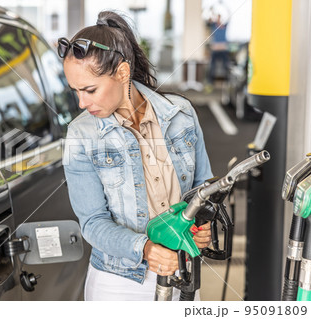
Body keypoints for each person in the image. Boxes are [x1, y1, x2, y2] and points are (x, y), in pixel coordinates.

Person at [61, 10, 213, 301]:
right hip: (118, 282)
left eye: (90, 89)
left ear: (122, 73)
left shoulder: (181, 114)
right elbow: (92, 222)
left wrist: (204, 223)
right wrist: (145, 248)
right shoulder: (81, 135)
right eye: (75, 91)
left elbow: (203, 187)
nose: (81, 102)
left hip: (184, 271)